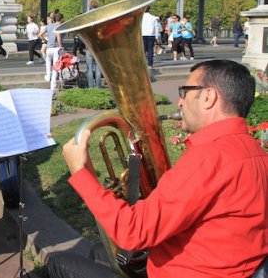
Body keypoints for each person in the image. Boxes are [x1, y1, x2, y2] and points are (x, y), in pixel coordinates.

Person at [58, 59, 268, 278]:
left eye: (184, 92)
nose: (179, 102)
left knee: (61, 263)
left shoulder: (209, 159)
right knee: (98, 252)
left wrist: (81, 172)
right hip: (224, 263)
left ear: (208, 97)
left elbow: (131, 232)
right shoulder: (255, 151)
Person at [85, 0, 101, 88]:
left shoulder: (87, 15)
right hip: (98, 45)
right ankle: (98, 87)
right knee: (99, 68)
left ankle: (90, 87)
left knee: (89, 68)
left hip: (89, 45)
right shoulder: (100, 14)